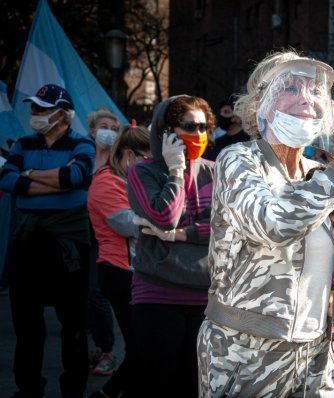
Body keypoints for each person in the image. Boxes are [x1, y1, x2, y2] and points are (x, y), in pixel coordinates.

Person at [197, 50, 334, 397]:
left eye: (316, 91)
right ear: (262, 104)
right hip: (244, 354)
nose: (307, 99)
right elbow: (275, 225)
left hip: (315, 356)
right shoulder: (238, 160)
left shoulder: (321, 175)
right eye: (291, 88)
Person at [0, 84, 95, 398]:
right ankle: (28, 389)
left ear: (62, 114)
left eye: (41, 108)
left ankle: (73, 389)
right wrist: (52, 182)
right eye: (34, 107)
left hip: (69, 245)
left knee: (73, 324)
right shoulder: (23, 143)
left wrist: (28, 175)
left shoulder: (82, 143)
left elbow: (75, 178)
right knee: (27, 324)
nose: (34, 114)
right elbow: (7, 179)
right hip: (27, 243)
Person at [126, 95, 215, 397]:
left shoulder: (217, 172)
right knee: (158, 384)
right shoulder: (143, 171)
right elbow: (164, 216)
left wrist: (180, 235)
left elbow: (227, 229)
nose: (199, 134)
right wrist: (176, 171)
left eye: (204, 127)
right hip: (158, 294)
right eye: (189, 126)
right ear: (167, 131)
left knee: (195, 386)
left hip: (206, 297)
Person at [87, 122, 152, 398]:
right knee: (141, 348)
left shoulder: (127, 179)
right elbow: (128, 225)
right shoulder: (106, 181)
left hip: (135, 271)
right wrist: (157, 213)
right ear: (128, 154)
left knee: (143, 347)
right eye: (146, 158)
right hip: (119, 272)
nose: (151, 164)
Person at [86, 109, 121, 377]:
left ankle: (107, 350)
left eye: (113, 127)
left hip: (106, 238)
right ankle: (93, 347)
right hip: (78, 235)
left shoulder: (118, 165)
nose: (108, 131)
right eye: (103, 126)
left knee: (97, 294)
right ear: (92, 131)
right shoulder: (83, 161)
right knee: (81, 295)